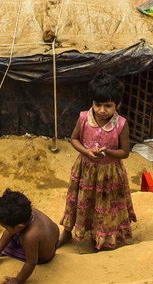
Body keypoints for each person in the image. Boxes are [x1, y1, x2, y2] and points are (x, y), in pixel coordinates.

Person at [58, 73, 136, 251]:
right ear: (92, 103)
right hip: (85, 170)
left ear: (118, 105)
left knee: (104, 206)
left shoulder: (121, 124)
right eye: (97, 104)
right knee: (78, 200)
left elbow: (125, 152)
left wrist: (107, 152)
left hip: (109, 174)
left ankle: (99, 237)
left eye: (108, 106)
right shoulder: (84, 118)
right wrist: (86, 151)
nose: (102, 110)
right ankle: (67, 231)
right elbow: (74, 139)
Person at [0, 189, 59, 284]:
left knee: (9, 248)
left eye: (5, 227)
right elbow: (10, 231)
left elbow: (31, 262)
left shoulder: (30, 237)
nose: (5, 229)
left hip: (43, 257)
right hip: (51, 240)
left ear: (20, 227)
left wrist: (18, 281)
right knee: (10, 236)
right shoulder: (29, 212)